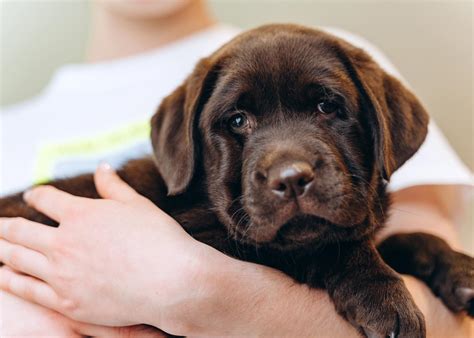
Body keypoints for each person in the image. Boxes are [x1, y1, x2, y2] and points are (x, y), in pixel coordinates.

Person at [0, 0, 472, 336]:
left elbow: (448, 329)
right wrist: (344, 266)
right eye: (238, 121)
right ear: (187, 154)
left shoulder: (337, 52)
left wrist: (200, 291)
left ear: (382, 131)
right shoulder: (12, 133)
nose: (288, 168)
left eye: (327, 108)